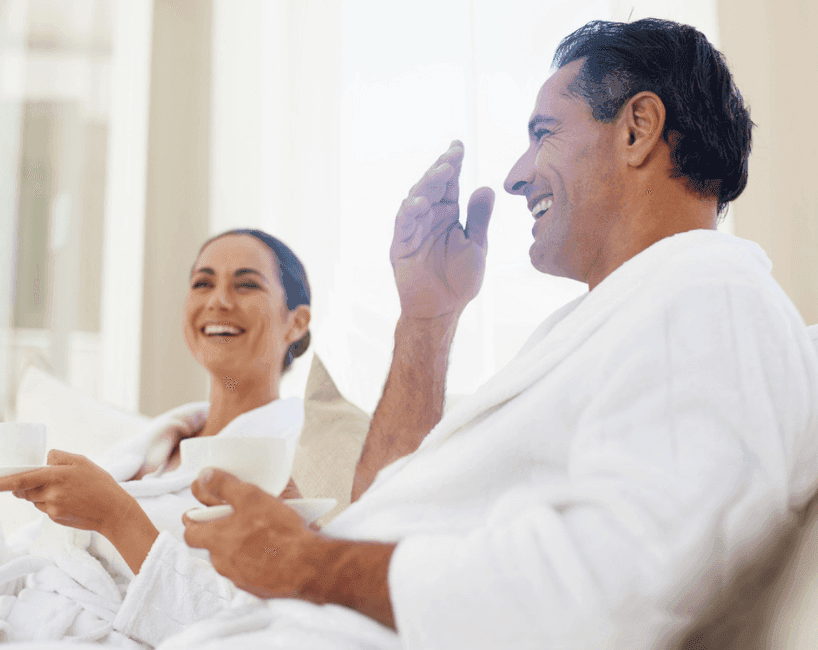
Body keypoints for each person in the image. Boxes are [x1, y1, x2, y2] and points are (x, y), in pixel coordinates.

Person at [168, 18, 818, 650]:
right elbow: (384, 510)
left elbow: (635, 587)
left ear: (637, 128)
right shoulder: (619, 318)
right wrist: (426, 317)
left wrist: (308, 566)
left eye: (543, 133)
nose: (514, 174)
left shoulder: (708, 295)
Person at [0, 229, 312, 646]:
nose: (219, 300)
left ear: (297, 322)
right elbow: (12, 591)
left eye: (247, 284)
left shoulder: (296, 453)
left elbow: (254, 628)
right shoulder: (143, 449)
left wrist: (117, 517)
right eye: (202, 283)